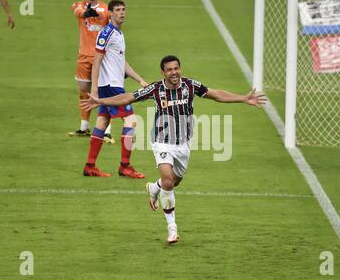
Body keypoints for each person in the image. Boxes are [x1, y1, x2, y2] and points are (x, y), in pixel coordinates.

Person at [80, 55, 267, 244]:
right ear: (163, 72)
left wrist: (243, 98)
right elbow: (128, 97)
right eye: (169, 69)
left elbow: (216, 94)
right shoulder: (155, 89)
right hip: (162, 142)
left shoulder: (190, 86)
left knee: (173, 182)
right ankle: (172, 228)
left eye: (176, 68)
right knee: (168, 181)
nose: (174, 72)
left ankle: (154, 188)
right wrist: (101, 102)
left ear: (180, 68)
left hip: (183, 144)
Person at [83, 0, 148, 178]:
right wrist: (94, 90)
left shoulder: (118, 34)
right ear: (110, 13)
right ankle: (125, 166)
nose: (122, 12)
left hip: (111, 85)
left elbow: (122, 62)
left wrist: (140, 80)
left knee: (102, 122)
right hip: (111, 86)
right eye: (118, 10)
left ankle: (90, 166)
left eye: (124, 9)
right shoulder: (107, 32)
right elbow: (96, 61)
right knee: (131, 121)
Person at [68, 0, 114, 142]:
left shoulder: (107, 9)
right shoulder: (78, 5)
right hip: (83, 57)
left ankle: (107, 131)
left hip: (101, 58)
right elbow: (77, 11)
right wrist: (86, 13)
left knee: (105, 93)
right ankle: (84, 127)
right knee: (83, 92)